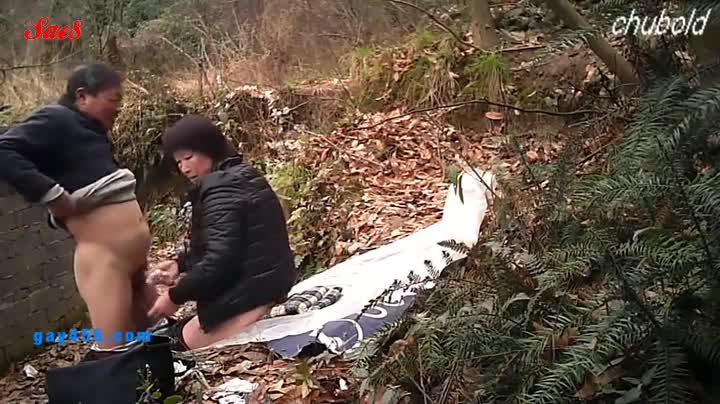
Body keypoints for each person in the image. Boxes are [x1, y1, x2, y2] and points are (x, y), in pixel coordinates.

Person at [0, 63, 157, 355]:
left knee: (148, 340)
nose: (118, 108)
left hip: (130, 261)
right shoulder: (55, 118)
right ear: (82, 96)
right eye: (113, 100)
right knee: (115, 347)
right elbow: (4, 150)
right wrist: (52, 194)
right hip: (105, 261)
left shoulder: (93, 132)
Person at [147, 115, 297, 350]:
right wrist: (180, 264)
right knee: (166, 335)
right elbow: (230, 241)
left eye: (189, 157)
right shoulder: (241, 174)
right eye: (178, 162)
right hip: (266, 286)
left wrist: (174, 297)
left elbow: (219, 263)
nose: (184, 168)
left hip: (252, 299)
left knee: (162, 345)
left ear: (209, 148)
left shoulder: (222, 188)